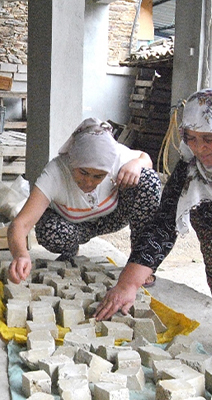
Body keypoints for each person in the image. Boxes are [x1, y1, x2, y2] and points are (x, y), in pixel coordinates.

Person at [95, 89, 212, 322]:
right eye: (191, 138)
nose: (199, 148)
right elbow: (164, 224)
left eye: (209, 138)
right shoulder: (190, 169)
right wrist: (128, 284)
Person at [8, 118, 161, 285]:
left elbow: (144, 158)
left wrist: (137, 164)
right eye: (83, 172)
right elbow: (20, 224)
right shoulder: (55, 172)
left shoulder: (116, 156)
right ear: (73, 161)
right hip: (73, 226)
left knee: (148, 179)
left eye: (98, 176)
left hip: (111, 218)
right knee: (49, 229)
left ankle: (140, 264)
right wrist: (21, 255)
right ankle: (70, 250)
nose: (89, 182)